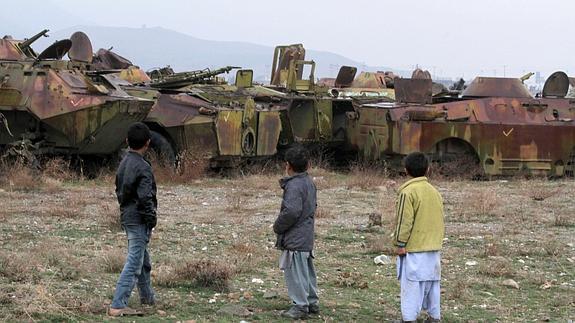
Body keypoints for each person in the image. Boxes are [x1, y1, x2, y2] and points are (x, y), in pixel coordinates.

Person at [109, 122, 158, 317]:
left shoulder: (124, 162)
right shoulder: (143, 167)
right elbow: (145, 197)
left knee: (142, 261)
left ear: (127, 141)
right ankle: (118, 304)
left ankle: (147, 298)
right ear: (148, 143)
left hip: (127, 216)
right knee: (134, 262)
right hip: (138, 219)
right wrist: (151, 219)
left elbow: (119, 191)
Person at [394, 152, 445, 322]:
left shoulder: (407, 192)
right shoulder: (434, 192)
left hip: (414, 248)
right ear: (428, 169)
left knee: (411, 287)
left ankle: (409, 319)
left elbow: (404, 221)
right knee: (432, 286)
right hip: (434, 248)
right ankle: (434, 317)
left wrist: (400, 243)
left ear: (406, 170)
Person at [273, 145, 319, 320]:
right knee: (307, 270)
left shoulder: (294, 185)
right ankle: (311, 302)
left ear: (288, 165)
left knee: (296, 272)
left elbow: (291, 211)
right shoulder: (309, 182)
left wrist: (278, 227)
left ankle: (300, 306)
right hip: (306, 235)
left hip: (295, 237)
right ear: (308, 165)